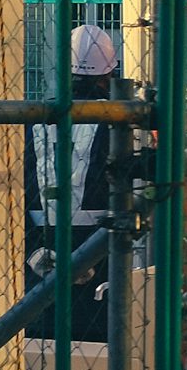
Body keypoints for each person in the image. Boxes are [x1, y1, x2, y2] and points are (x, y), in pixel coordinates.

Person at [22, 23, 125, 343]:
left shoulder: (37, 117)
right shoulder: (115, 121)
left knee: (42, 333)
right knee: (96, 337)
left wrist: (30, 246)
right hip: (97, 243)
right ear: (109, 74)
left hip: (39, 240)